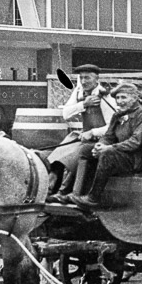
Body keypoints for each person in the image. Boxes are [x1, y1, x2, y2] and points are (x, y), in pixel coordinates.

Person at [58, 83, 142, 211]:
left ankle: (93, 198)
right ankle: (76, 193)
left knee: (107, 154)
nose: (119, 101)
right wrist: (100, 145)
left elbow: (135, 141)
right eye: (117, 98)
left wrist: (109, 148)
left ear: (134, 98)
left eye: (124, 98)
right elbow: (108, 136)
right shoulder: (118, 115)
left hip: (132, 159)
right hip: (118, 153)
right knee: (85, 150)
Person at [45, 64, 115, 201]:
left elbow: (112, 127)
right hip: (84, 136)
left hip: (102, 140)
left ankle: (63, 191)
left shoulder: (104, 97)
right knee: (61, 151)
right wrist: (83, 104)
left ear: (96, 79)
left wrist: (93, 132)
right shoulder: (78, 93)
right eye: (81, 78)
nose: (83, 81)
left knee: (76, 153)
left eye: (87, 78)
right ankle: (50, 187)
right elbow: (65, 113)